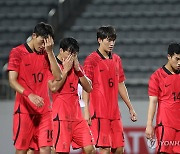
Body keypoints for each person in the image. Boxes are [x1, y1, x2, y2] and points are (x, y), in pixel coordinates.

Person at [7, 22, 62, 154]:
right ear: (33, 36)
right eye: (42, 41)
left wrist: (50, 52)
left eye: (46, 43)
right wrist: (29, 94)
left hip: (44, 111)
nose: (43, 46)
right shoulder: (17, 52)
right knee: (22, 150)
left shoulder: (46, 54)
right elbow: (12, 81)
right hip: (24, 110)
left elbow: (58, 76)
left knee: (46, 149)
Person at [82, 25, 137, 154]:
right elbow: (86, 86)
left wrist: (130, 107)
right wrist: (86, 111)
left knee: (119, 149)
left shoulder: (117, 59)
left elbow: (120, 84)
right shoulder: (91, 60)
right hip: (99, 112)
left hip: (114, 112)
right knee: (104, 149)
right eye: (108, 40)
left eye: (113, 40)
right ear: (99, 40)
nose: (111, 43)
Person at [51, 37, 96, 154]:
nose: (73, 57)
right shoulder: (54, 66)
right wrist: (65, 71)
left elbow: (89, 88)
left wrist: (78, 70)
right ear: (61, 51)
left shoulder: (77, 67)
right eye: (70, 53)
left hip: (77, 117)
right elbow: (54, 87)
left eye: (75, 54)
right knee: (60, 152)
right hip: (61, 116)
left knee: (90, 149)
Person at [145, 42, 180, 153]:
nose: (179, 63)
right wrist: (149, 124)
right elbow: (153, 101)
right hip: (166, 124)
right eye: (177, 59)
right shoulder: (157, 76)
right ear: (169, 57)